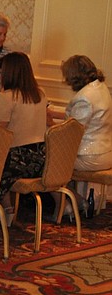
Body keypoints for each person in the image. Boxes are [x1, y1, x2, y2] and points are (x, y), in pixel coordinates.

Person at [0, 51, 48, 204]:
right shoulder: (40, 94)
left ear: (9, 73)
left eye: (1, 72)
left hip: (17, 161)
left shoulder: (5, 98)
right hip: (42, 159)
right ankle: (5, 209)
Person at [61, 55, 112, 207]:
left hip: (89, 156)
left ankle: (75, 203)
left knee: (51, 164)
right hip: (106, 152)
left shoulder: (84, 97)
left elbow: (72, 131)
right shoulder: (100, 88)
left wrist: (52, 126)